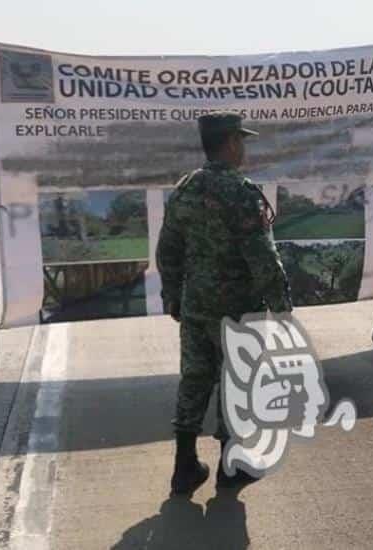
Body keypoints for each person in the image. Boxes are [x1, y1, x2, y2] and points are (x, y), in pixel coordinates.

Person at [156, 112, 292, 495]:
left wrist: (172, 295)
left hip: (195, 304)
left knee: (195, 378)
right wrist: (282, 305)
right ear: (231, 142)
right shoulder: (241, 191)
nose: (244, 148)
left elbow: (168, 248)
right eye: (242, 141)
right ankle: (231, 469)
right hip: (237, 309)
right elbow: (262, 256)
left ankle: (184, 468)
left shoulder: (186, 188)